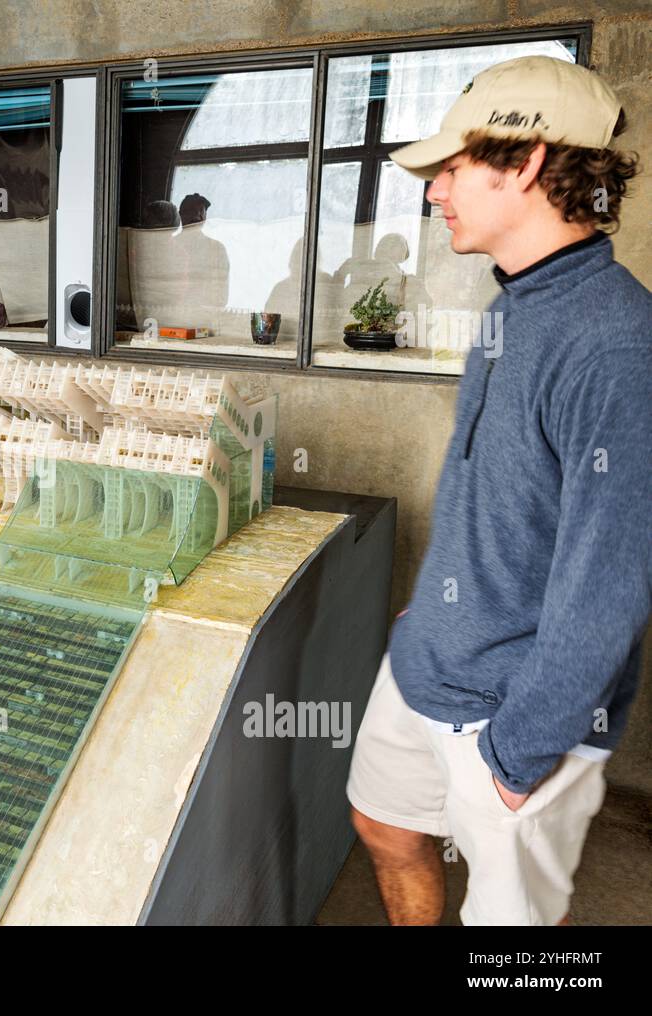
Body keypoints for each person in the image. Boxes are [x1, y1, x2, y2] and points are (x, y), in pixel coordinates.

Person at [345, 54, 651, 925]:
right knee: (383, 822)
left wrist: (520, 755)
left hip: (516, 714)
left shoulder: (618, 349)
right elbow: (499, 495)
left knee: (511, 935)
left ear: (523, 163)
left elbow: (610, 587)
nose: (434, 191)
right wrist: (437, 611)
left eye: (450, 169)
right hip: (433, 660)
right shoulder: (514, 303)